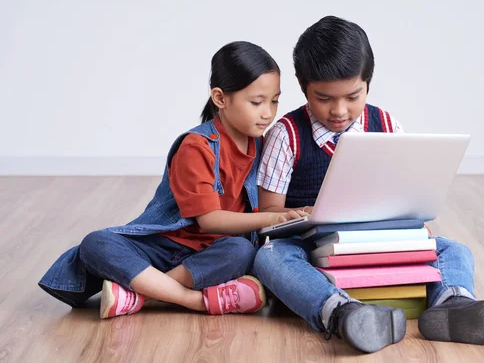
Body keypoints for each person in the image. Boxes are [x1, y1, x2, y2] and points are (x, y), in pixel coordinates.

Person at [253, 16, 484, 353]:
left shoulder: (385, 124)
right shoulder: (287, 135)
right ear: (302, 85)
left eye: (353, 96)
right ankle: (342, 313)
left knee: (453, 249)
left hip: (375, 241)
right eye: (324, 98)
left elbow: (407, 194)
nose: (339, 110)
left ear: (368, 82)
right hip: (310, 246)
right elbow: (267, 213)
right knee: (268, 258)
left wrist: (417, 228)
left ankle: (452, 306)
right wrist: (308, 213)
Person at [39, 41, 308, 319]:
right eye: (257, 102)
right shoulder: (197, 146)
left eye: (274, 100)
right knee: (95, 243)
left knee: (241, 249)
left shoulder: (264, 147)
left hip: (210, 254)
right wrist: (272, 218)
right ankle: (192, 300)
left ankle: (140, 293)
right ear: (220, 98)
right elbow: (210, 220)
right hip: (163, 247)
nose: (268, 112)